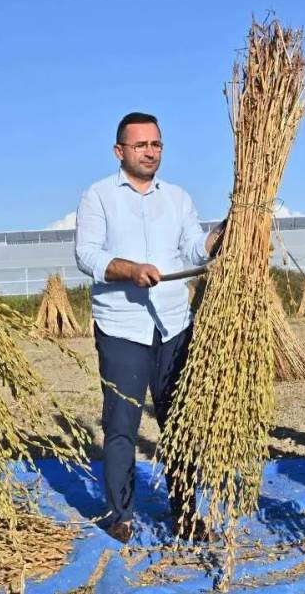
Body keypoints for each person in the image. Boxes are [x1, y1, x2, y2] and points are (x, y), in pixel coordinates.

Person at [75, 112, 222, 544]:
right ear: (119, 151)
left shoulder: (177, 198)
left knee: (180, 423)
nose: (150, 151)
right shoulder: (98, 196)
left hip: (174, 325)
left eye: (156, 144)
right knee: (122, 424)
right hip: (123, 327)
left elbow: (195, 247)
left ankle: (186, 513)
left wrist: (225, 233)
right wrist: (129, 269)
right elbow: (87, 255)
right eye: (140, 145)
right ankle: (120, 514)